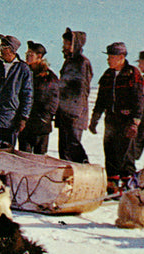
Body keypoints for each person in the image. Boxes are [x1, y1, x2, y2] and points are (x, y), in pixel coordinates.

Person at [88, 42, 144, 184]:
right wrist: (95, 119)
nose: (108, 60)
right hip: (111, 120)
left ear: (121, 57)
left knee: (126, 153)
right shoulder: (108, 75)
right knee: (110, 151)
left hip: (126, 120)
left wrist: (135, 122)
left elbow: (139, 100)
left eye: (111, 57)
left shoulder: (133, 73)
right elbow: (101, 99)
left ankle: (128, 183)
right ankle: (112, 183)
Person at [56, 27, 93, 163]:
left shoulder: (82, 63)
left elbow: (82, 90)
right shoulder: (69, 62)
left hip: (74, 116)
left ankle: (84, 178)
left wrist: (74, 113)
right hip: (66, 115)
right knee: (64, 152)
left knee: (74, 151)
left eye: (67, 44)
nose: (64, 47)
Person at [17, 41, 59, 155]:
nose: (27, 56)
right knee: (24, 159)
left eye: (30, 54)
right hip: (25, 125)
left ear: (39, 56)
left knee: (39, 160)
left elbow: (54, 100)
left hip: (41, 126)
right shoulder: (25, 74)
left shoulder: (49, 77)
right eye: (27, 53)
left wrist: (46, 118)